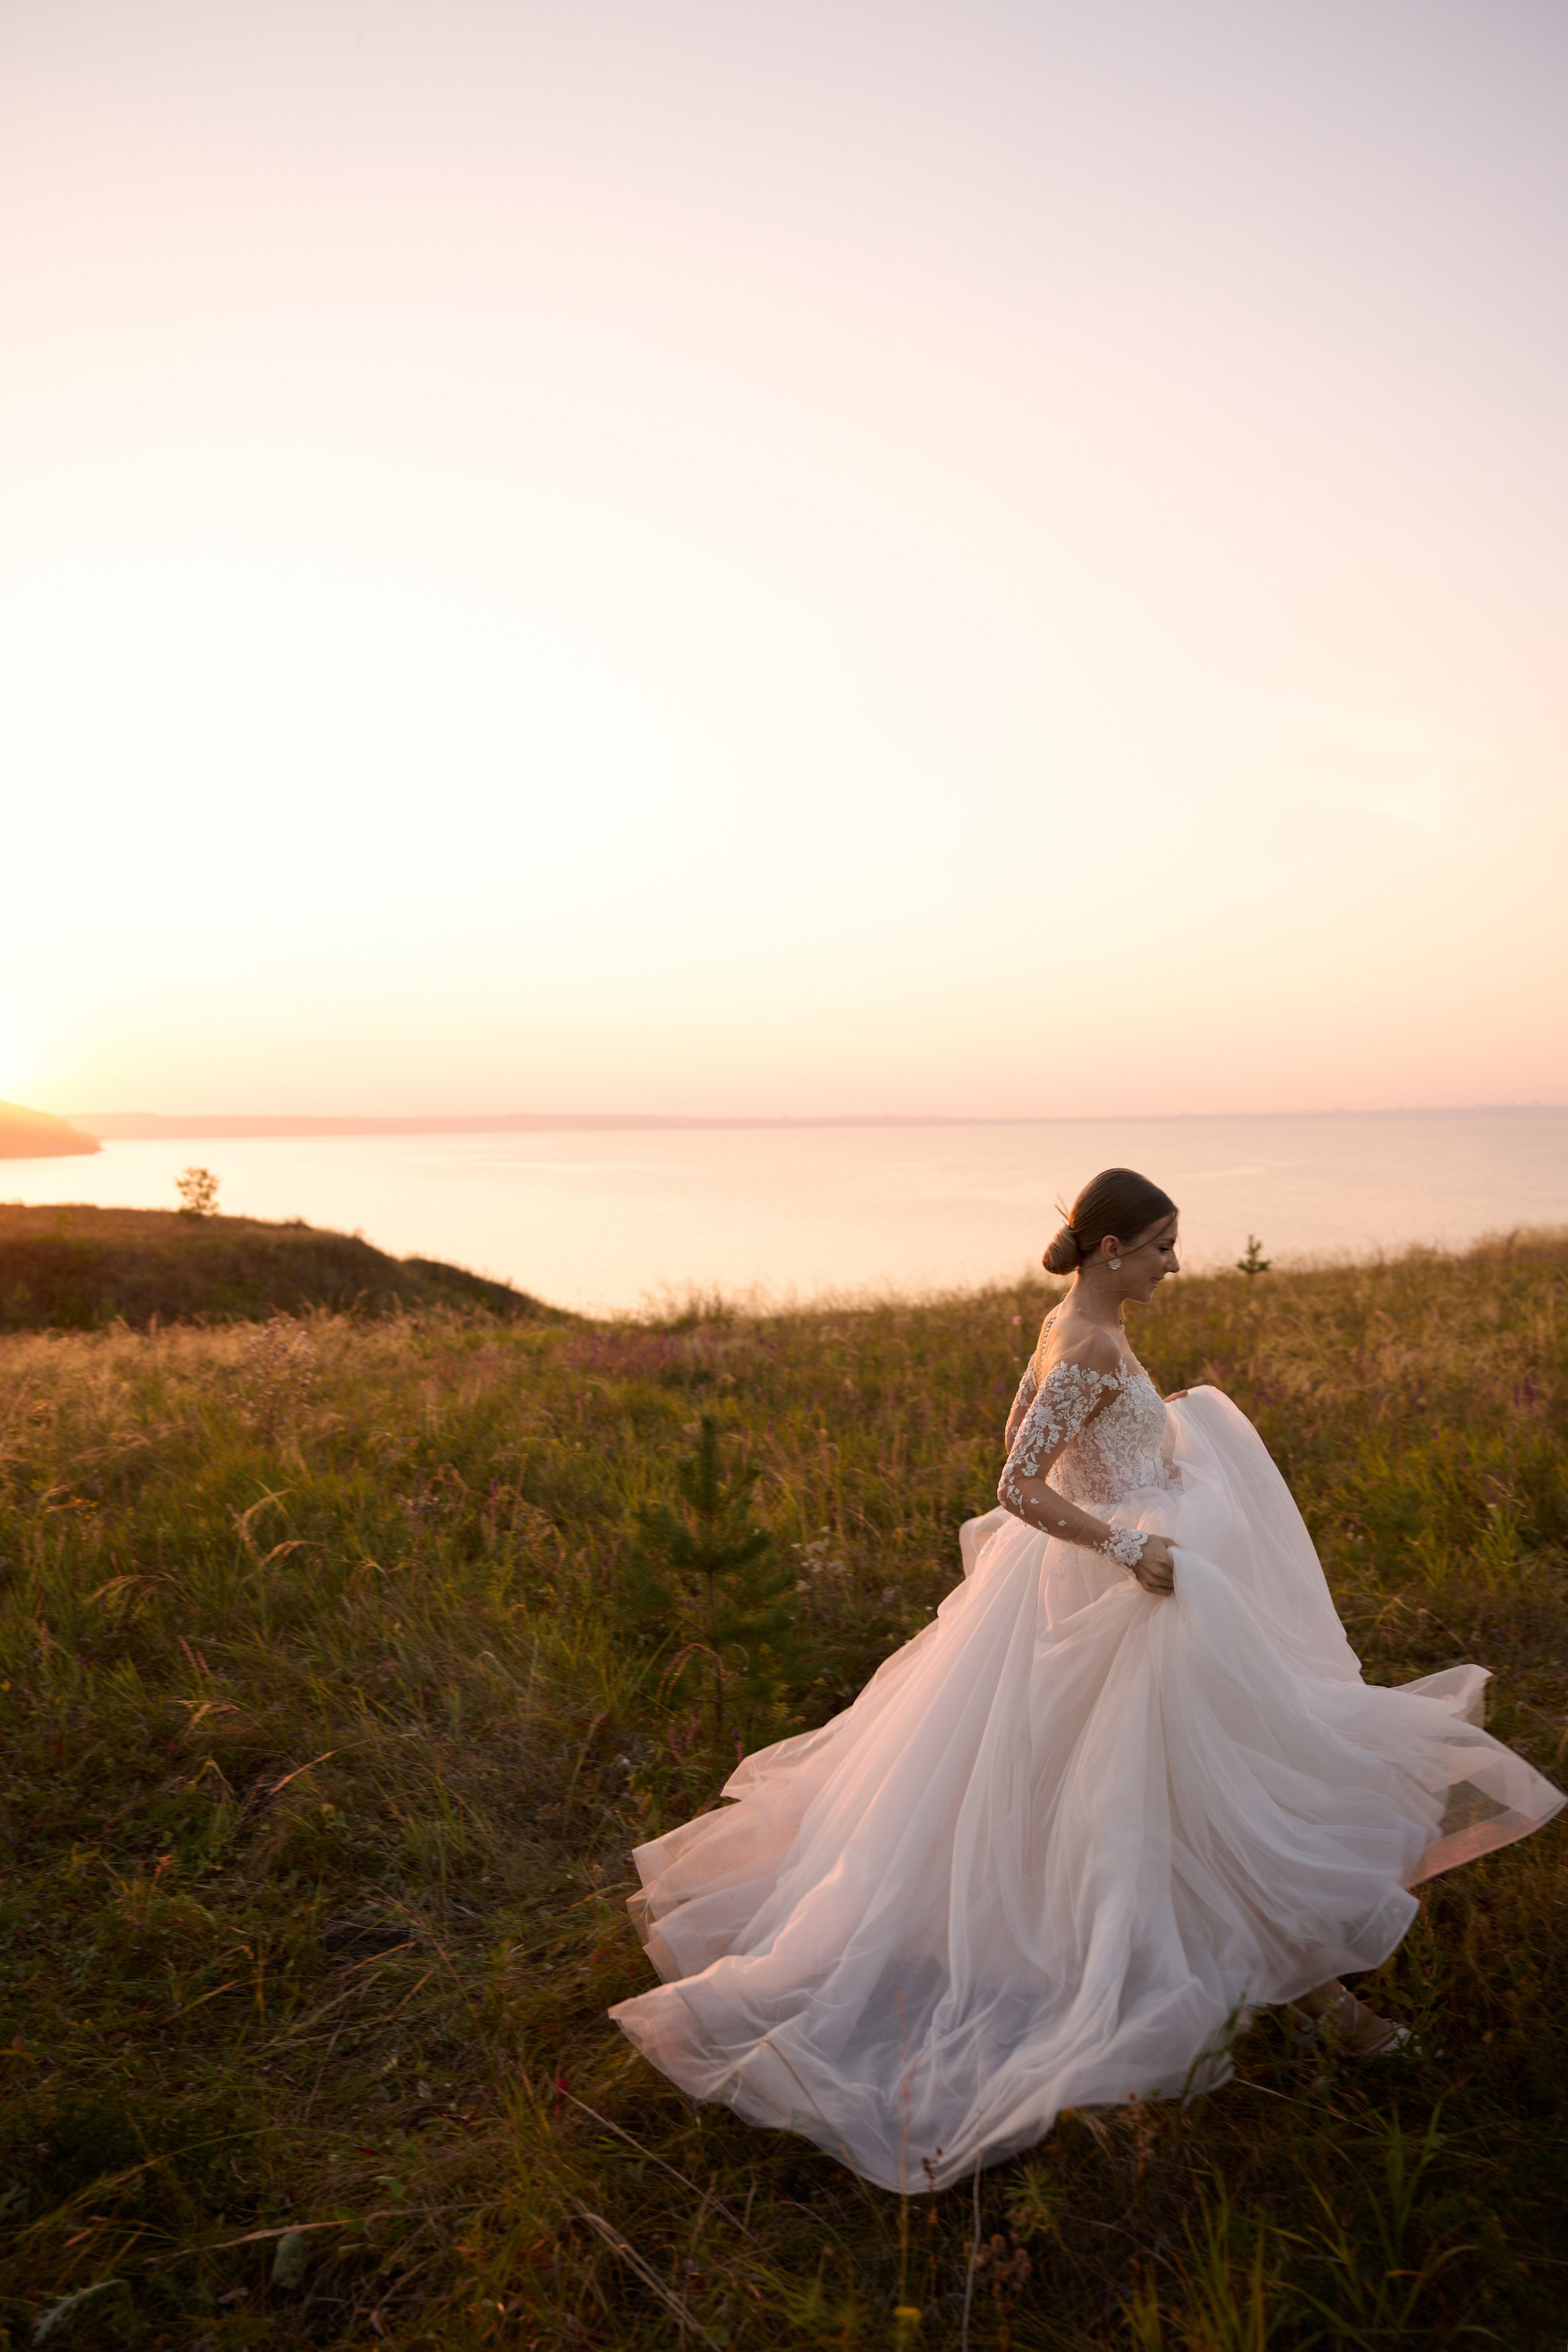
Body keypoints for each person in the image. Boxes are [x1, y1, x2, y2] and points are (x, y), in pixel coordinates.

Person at [609, 1169, 1562, 2192]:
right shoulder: (1094, 1343)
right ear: (1112, 1250)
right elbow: (1016, 1482)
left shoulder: (1067, 1325)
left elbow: (1022, 1440)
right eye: (1159, 1246)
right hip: (1125, 1587)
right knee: (1190, 1792)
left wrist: (1147, 1468)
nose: (1174, 1263)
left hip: (1110, 1575)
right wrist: (1124, 1539)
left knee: (1167, 1791)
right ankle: (1319, 2002)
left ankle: (1313, 1993)